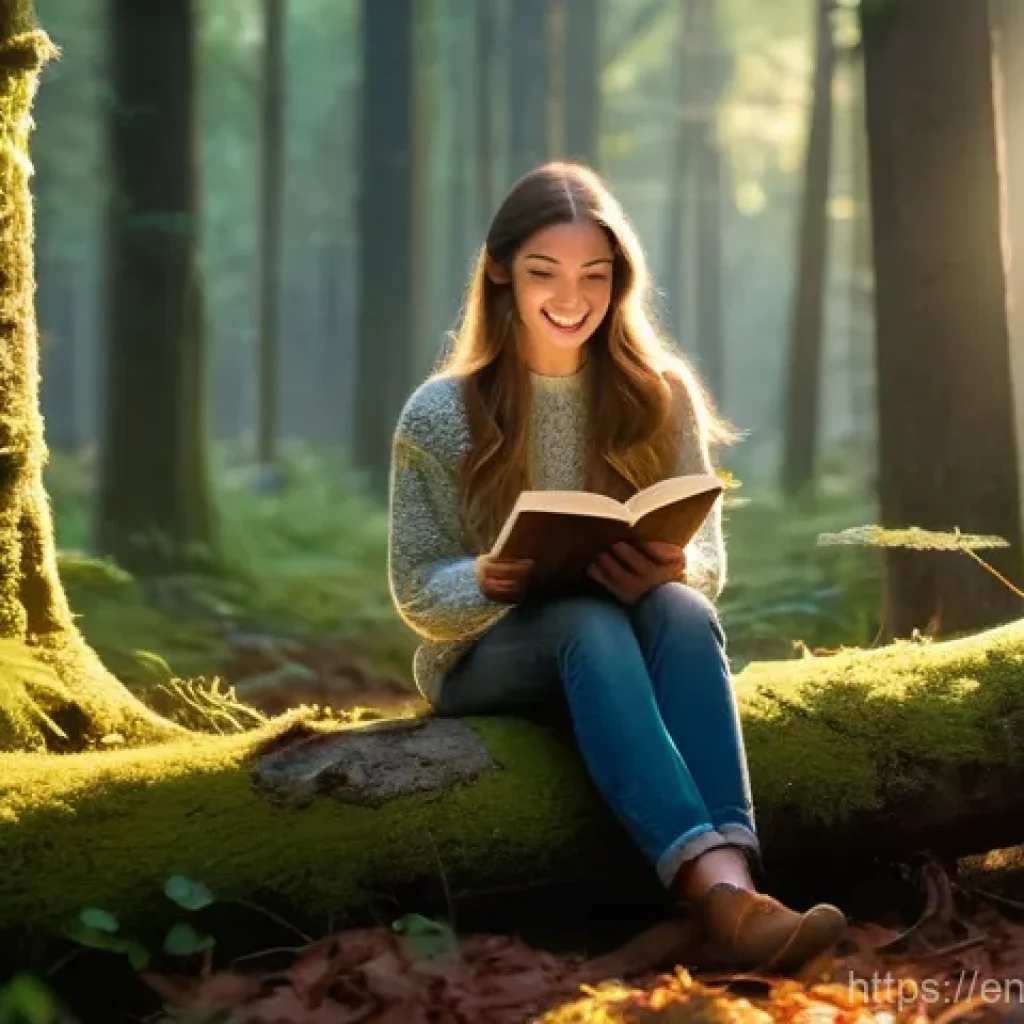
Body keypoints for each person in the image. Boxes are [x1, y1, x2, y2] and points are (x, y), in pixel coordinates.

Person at [386, 161, 847, 975]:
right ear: (499, 271)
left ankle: (732, 889)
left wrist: (670, 568)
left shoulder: (657, 394)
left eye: (594, 277)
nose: (572, 298)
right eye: (545, 274)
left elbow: (706, 564)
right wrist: (486, 579)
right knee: (583, 620)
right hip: (486, 655)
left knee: (685, 614)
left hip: (628, 632)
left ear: (619, 281)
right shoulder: (440, 412)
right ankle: (718, 897)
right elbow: (419, 590)